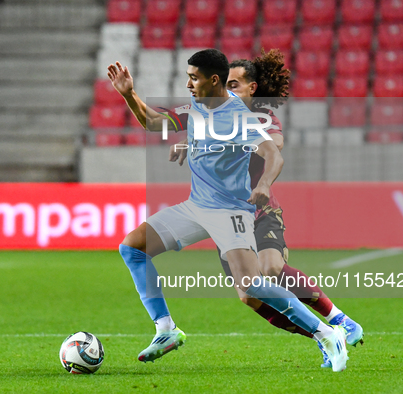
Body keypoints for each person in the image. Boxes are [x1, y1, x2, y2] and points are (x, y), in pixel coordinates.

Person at [108, 48, 349, 372]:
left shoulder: (238, 117)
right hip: (196, 206)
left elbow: (273, 156)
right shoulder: (195, 107)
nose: (189, 84)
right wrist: (130, 94)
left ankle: (327, 334)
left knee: (251, 286)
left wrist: (263, 184)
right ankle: (166, 329)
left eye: (194, 77)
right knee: (132, 247)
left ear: (214, 80)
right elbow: (154, 122)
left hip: (230, 212)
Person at [170, 50, 364, 369]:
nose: (227, 90)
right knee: (250, 297)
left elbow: (276, 145)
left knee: (272, 269)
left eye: (235, 84)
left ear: (252, 89)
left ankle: (340, 320)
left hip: (260, 211)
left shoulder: (259, 118)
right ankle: (325, 336)